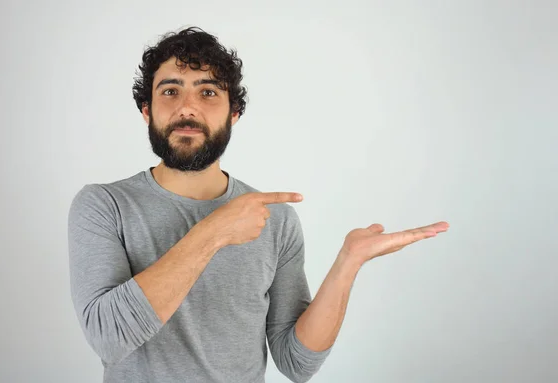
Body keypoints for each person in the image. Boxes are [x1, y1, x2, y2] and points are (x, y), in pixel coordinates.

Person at [68, 26, 449, 383]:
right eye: (170, 91)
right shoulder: (104, 206)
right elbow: (109, 336)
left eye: (208, 92)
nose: (187, 108)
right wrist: (214, 231)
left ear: (234, 114)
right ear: (147, 111)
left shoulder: (275, 220)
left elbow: (296, 362)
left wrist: (347, 263)